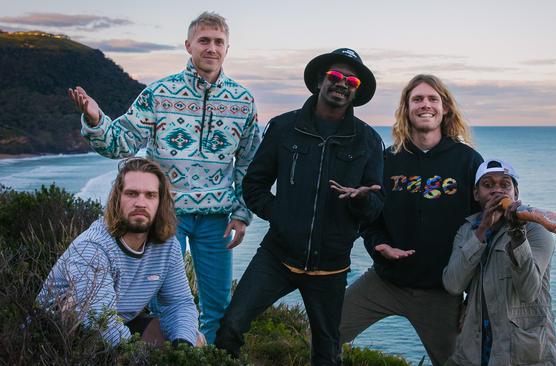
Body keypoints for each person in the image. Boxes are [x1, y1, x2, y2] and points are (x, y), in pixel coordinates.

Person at [67, 12, 260, 343]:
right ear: (188, 45)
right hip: (166, 215)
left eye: (218, 42)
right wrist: (96, 118)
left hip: (216, 219)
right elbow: (122, 142)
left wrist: (242, 215)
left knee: (218, 305)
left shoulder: (243, 101)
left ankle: (203, 359)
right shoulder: (159, 93)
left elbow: (248, 164)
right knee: (161, 303)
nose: (211, 48)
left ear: (227, 49)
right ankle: (165, 356)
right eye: (204, 41)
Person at [214, 48, 384, 365]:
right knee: (231, 327)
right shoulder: (283, 128)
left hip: (330, 268)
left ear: (356, 90)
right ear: (320, 81)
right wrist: (282, 216)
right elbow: (253, 186)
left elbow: (376, 207)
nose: (342, 83)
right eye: (335, 76)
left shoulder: (369, 141)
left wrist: (363, 201)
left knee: (327, 352)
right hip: (276, 257)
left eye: (351, 80)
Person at [339, 74, 483, 365]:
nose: (425, 105)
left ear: (445, 109)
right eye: (417, 99)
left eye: (432, 99)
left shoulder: (467, 161)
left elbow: (481, 232)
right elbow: (371, 218)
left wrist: (473, 298)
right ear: (406, 108)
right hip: (384, 281)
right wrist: (379, 245)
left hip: (440, 292)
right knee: (324, 333)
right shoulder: (388, 159)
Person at [38, 158, 202, 347]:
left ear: (160, 203)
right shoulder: (92, 247)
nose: (141, 203)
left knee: (194, 339)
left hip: (119, 324)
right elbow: (100, 323)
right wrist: (141, 358)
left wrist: (182, 346)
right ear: (117, 199)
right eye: (132, 194)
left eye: (150, 195)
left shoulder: (167, 245)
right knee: (75, 308)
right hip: (54, 335)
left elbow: (179, 303)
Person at [442, 159, 556, 366]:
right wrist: (481, 231)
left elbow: (528, 291)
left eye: (505, 184)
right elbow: (453, 284)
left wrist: (517, 235)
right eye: (488, 185)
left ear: (516, 193)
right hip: (473, 351)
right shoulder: (466, 231)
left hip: (521, 354)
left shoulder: (535, 229)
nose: (497, 190)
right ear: (477, 194)